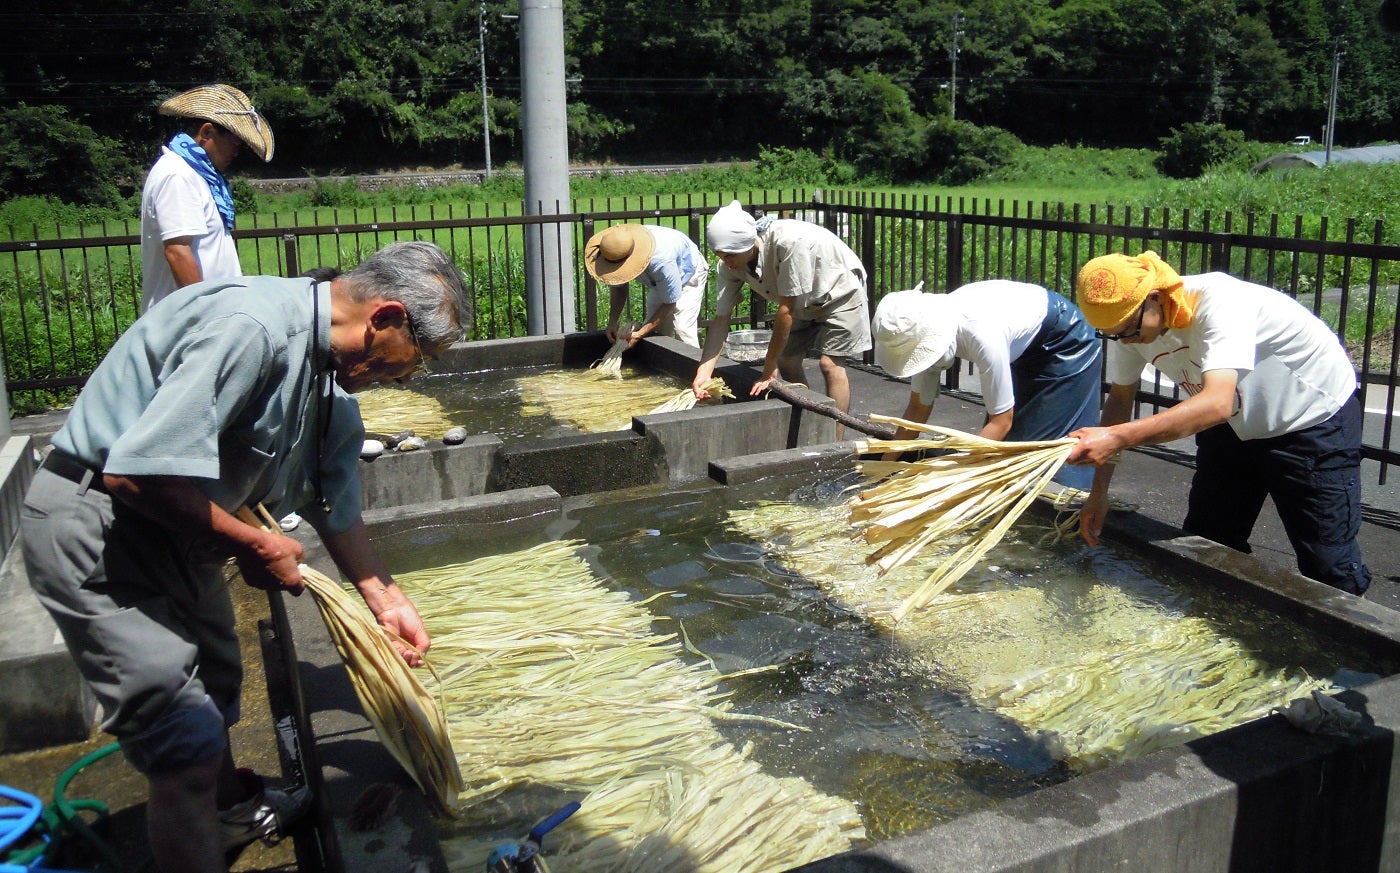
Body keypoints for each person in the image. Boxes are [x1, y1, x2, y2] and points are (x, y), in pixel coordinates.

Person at [20, 241, 471, 872]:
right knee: (181, 739)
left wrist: (386, 600)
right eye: (413, 360)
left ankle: (229, 809)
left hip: (181, 533)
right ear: (385, 318)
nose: (406, 376)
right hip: (101, 530)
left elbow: (335, 505)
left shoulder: (326, 380)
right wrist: (254, 542)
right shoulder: (253, 329)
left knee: (217, 685)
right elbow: (135, 475)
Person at [1066, 250, 1371, 596]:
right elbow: (1120, 401)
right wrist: (1099, 495)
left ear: (1154, 298)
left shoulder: (1220, 301)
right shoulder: (1131, 325)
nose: (1124, 341)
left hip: (1309, 419)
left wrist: (1118, 437)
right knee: (1209, 543)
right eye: (1111, 334)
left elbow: (1217, 402)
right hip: (1232, 425)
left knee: (1327, 563)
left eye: (1127, 331)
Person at [871, 280, 1102, 492]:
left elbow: (1002, 420)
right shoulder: (921, 332)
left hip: (1065, 342)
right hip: (1024, 350)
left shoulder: (981, 333)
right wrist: (886, 465)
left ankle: (1074, 514)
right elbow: (918, 408)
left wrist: (955, 475)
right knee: (1004, 457)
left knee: (1048, 456)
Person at [694, 201, 872, 428]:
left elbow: (786, 310)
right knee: (787, 361)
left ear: (749, 244)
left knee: (830, 365)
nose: (726, 262)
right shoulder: (729, 266)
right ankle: (811, 422)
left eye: (730, 255)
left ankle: (834, 441)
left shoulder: (788, 243)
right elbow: (721, 320)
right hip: (803, 300)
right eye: (720, 255)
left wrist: (768, 371)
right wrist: (703, 373)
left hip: (840, 290)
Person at [140, 84, 275, 312]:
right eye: (234, 143)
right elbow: (178, 252)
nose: (236, 152)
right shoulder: (178, 175)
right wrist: (206, 317)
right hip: (185, 328)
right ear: (207, 133)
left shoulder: (199, 177)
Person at [584, 223, 707, 348]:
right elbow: (619, 289)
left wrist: (640, 333)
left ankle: (694, 366)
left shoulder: (661, 261)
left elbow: (670, 303)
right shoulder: (618, 249)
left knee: (683, 328)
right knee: (656, 332)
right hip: (659, 280)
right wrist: (612, 321)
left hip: (688, 272)